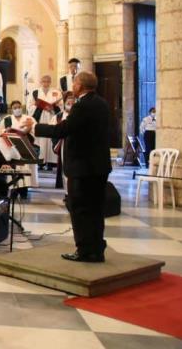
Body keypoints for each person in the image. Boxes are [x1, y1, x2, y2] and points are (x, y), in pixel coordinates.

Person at [32, 72, 112, 262]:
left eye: (75, 82)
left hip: (83, 167)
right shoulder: (102, 103)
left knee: (80, 210)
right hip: (99, 166)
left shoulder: (82, 105)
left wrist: (35, 127)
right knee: (95, 209)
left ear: (80, 86)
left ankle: (84, 250)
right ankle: (96, 249)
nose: (72, 86)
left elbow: (63, 129)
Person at [0, 100, 39, 193]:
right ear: (11, 109)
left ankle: (24, 189)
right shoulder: (7, 119)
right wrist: (6, 131)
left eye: (19, 107)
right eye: (15, 108)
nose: (17, 109)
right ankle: (14, 188)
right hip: (12, 148)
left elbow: (36, 130)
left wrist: (29, 129)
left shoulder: (29, 119)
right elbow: (0, 132)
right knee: (14, 167)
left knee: (25, 167)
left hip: (25, 146)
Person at [28, 75, 63, 170]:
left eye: (48, 81)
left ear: (50, 81)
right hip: (40, 118)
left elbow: (61, 106)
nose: (46, 83)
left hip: (52, 117)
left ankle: (51, 162)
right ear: (41, 81)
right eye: (44, 81)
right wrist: (39, 106)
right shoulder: (35, 92)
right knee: (40, 139)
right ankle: (41, 162)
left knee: (50, 139)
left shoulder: (56, 92)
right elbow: (30, 106)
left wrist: (54, 107)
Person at [52, 93, 76, 190]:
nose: (70, 104)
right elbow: (53, 130)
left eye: (72, 103)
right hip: (63, 143)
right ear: (64, 103)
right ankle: (67, 189)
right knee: (65, 166)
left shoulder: (78, 115)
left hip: (75, 145)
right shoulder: (58, 116)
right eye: (68, 102)